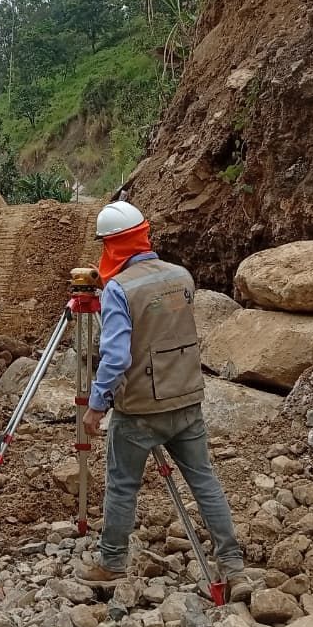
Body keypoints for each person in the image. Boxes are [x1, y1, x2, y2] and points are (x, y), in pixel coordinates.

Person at [75, 201, 249, 599]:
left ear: (111, 246)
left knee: (122, 485)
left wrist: (97, 405)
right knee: (204, 481)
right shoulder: (181, 276)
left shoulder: (121, 288)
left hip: (140, 410)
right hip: (186, 398)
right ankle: (233, 566)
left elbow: (116, 356)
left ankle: (112, 562)